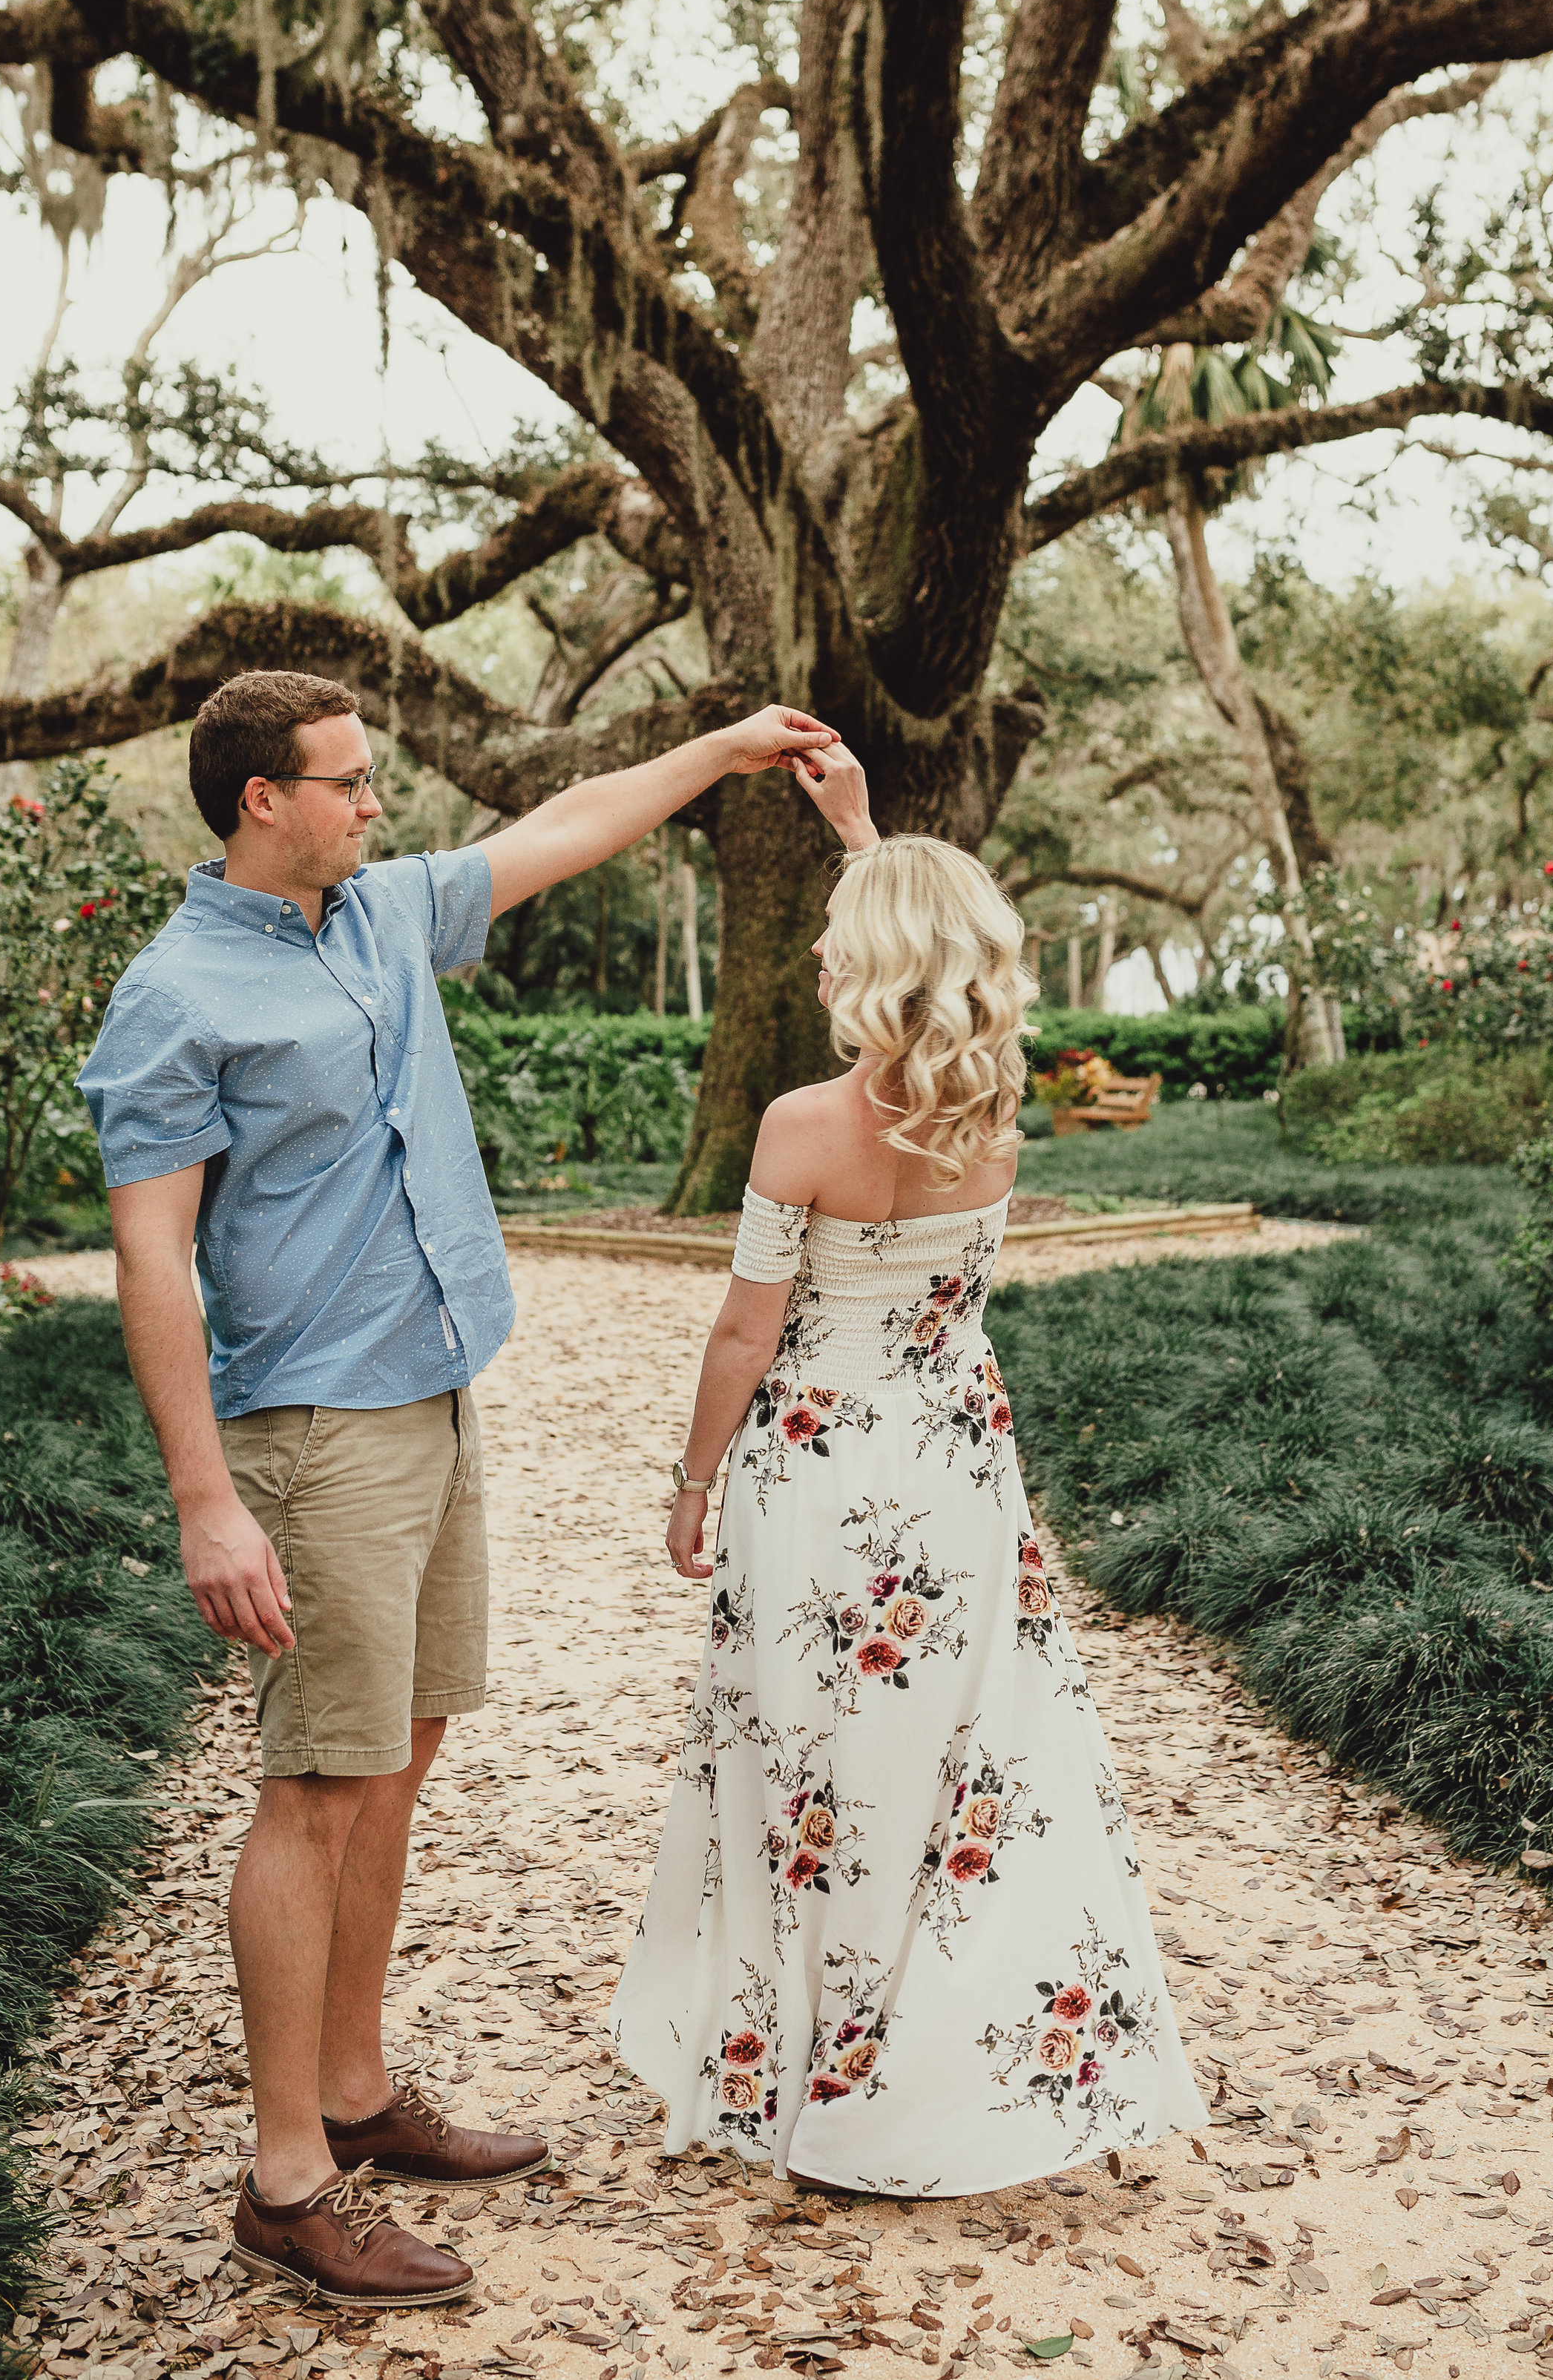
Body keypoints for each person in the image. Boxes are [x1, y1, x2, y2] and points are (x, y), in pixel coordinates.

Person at [78, 668, 836, 2307]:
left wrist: (716, 750)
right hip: (310, 1425)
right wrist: (207, 1499)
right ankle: (286, 2180)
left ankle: (354, 2095)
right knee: (318, 1782)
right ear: (256, 802)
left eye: (371, 780)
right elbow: (152, 1260)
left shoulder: (379, 915)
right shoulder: (174, 996)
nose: (374, 804)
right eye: (344, 782)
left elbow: (566, 827)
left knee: (402, 1754)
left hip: (432, 1387)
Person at [612, 758, 1205, 2195]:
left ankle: (801, 2063)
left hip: (813, 1478)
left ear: (869, 963)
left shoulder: (800, 1127)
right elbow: (928, 938)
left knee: (813, 1771)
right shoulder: (990, 1108)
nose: (819, 947)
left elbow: (747, 1327)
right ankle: (928, 2061)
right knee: (955, 1772)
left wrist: (690, 1483)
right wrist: (864, 841)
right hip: (952, 1475)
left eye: (838, 933)